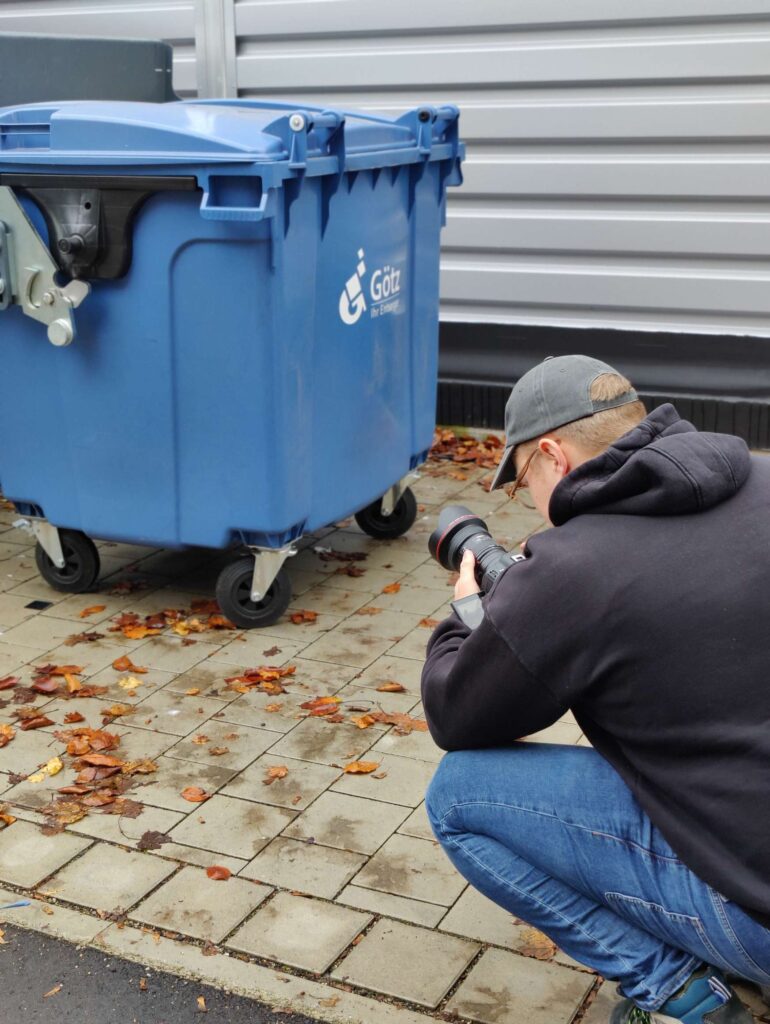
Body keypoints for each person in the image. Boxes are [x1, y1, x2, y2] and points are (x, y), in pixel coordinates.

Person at [421, 354, 770, 1024]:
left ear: (554, 455)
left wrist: (469, 615)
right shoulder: (760, 477)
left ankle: (680, 995)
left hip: (757, 913)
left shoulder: (576, 569)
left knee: (458, 797)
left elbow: (456, 716)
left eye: (524, 481)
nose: (532, 506)